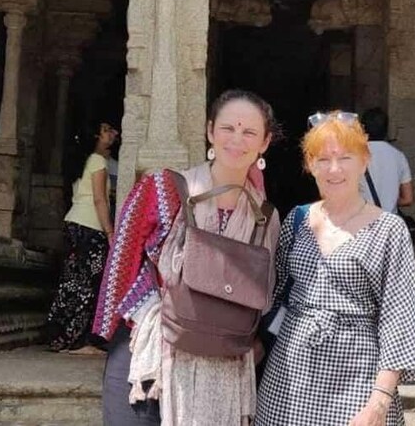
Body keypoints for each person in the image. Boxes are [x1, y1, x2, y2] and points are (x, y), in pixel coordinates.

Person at [92, 89, 282, 425]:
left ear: (264, 143)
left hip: (224, 355)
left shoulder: (264, 215)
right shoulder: (163, 188)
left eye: (249, 132)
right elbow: (122, 261)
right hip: (151, 346)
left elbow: (264, 289)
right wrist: (107, 331)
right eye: (228, 128)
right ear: (210, 131)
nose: (237, 139)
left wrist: (257, 343)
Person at [256, 111, 415, 426]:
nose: (333, 169)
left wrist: (381, 401)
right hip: (289, 376)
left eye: (345, 157)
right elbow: (273, 294)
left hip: (358, 374)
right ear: (309, 165)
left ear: (364, 160)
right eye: (322, 159)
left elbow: (399, 317)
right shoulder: (297, 219)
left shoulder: (389, 229)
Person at [45, 119, 120, 353]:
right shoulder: (98, 161)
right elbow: (100, 199)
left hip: (74, 222)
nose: (113, 134)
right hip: (90, 226)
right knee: (88, 284)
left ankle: (60, 337)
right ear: (96, 137)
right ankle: (81, 340)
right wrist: (110, 231)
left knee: (70, 282)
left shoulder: (82, 160)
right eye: (106, 131)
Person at [358, 108, 413, 214]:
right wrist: (389, 201)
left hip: (361, 221)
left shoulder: (354, 156)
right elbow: (408, 199)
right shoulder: (399, 156)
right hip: (389, 223)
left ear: (363, 128)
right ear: (386, 129)